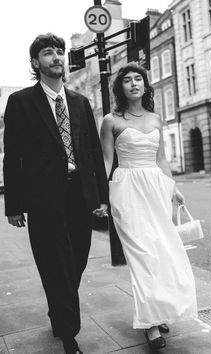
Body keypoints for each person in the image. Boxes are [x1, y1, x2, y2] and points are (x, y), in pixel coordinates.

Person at [3, 33, 108, 354]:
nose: (56, 58)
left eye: (60, 52)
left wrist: (101, 197)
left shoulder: (80, 102)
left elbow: (92, 151)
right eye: (48, 53)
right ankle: (68, 334)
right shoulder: (21, 102)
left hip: (80, 195)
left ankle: (59, 308)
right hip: (43, 199)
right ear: (36, 62)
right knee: (54, 263)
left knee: (75, 262)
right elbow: (14, 155)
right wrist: (14, 205)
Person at [100, 62, 197, 352]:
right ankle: (150, 324)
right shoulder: (111, 120)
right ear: (121, 88)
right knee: (141, 256)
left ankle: (159, 310)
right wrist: (102, 197)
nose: (133, 83)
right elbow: (106, 161)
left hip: (156, 188)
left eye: (138, 79)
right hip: (127, 190)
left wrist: (174, 188)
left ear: (145, 84)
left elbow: (161, 159)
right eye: (127, 80)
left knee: (163, 254)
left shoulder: (156, 119)